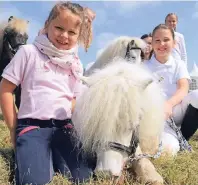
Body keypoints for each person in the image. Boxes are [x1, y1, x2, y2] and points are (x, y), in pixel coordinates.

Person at [0, 2, 96, 185]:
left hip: (64, 128)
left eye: (72, 32)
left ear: (78, 35)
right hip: (32, 127)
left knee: (84, 177)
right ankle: (34, 158)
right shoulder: (29, 53)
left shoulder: (75, 63)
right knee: (33, 180)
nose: (64, 36)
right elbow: (5, 89)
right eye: (59, 28)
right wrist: (13, 129)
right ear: (47, 24)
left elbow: (74, 99)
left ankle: (51, 156)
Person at [144, 24, 198, 155]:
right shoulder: (144, 67)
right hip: (155, 119)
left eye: (166, 40)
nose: (161, 43)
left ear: (174, 43)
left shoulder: (178, 64)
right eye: (157, 40)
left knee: (197, 95)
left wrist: (168, 104)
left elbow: (183, 88)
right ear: (152, 44)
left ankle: (183, 136)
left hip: (175, 111)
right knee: (168, 151)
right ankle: (171, 140)